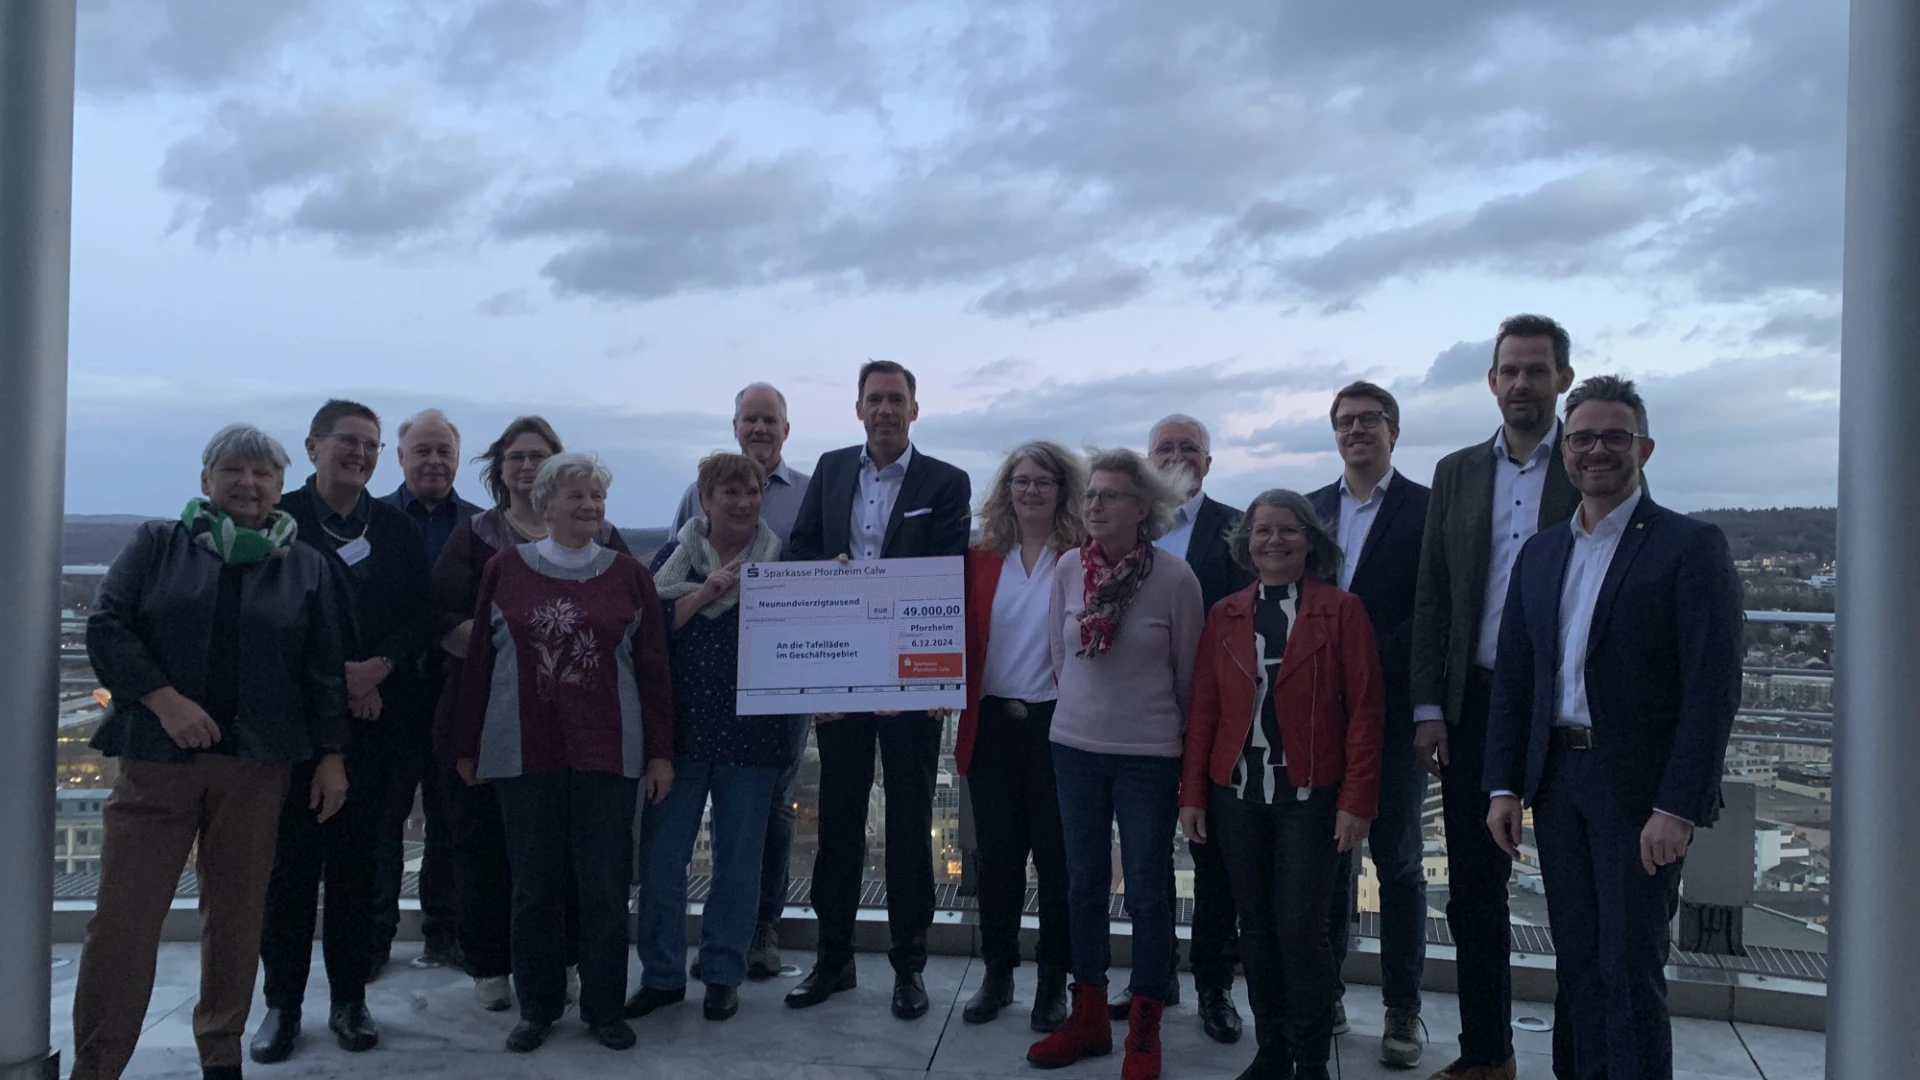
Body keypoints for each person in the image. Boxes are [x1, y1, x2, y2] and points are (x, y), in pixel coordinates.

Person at [71, 425, 351, 1080]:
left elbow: (323, 672)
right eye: (234, 470)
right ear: (206, 481)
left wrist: (333, 755)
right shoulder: (157, 544)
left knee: (236, 920)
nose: (248, 484)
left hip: (255, 767)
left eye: (263, 474)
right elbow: (108, 625)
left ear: (282, 488)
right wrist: (165, 701)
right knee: (124, 921)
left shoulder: (304, 565)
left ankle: (221, 1054)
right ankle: (98, 1063)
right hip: (155, 762)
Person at [1485, 377, 1741, 1080]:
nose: (1597, 450)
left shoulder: (1690, 547)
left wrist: (1677, 805)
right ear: (1564, 451)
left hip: (1638, 793)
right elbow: (1516, 679)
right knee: (1576, 963)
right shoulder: (1540, 554)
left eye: (1614, 437)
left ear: (1644, 448)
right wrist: (1504, 785)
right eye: (1583, 438)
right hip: (1558, 780)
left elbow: (1712, 692)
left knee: (1628, 968)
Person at [451, 452, 676, 1054]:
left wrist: (660, 754)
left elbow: (653, 672)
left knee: (604, 887)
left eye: (598, 497)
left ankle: (604, 1007)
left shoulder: (630, 575)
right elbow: (479, 665)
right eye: (575, 496)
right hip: (524, 752)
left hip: (610, 752)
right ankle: (539, 1007)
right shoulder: (504, 569)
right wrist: (467, 744)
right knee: (533, 887)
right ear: (544, 503)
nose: (589, 506)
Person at [1410, 315, 1579, 1080]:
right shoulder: (1456, 472)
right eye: (1509, 370)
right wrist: (1429, 707)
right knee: (1474, 895)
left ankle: (1583, 1059)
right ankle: (1487, 1056)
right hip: (1475, 707)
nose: (1521, 384)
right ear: (1491, 382)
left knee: (1580, 900)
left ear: (1562, 380)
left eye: (1537, 370)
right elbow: (1434, 595)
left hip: (1569, 710)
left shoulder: (1589, 462)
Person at [784, 360, 972, 1020]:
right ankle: (833, 959)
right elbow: (797, 555)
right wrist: (825, 571)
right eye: (875, 400)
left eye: (896, 399)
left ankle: (909, 967)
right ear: (858, 410)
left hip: (910, 678)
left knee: (910, 824)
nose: (885, 410)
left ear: (915, 410)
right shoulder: (832, 471)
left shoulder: (946, 482)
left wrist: (921, 674)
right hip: (840, 675)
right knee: (836, 821)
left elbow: (946, 577)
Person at [252, 400, 435, 1064]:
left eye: (372, 445)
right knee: (290, 872)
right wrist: (339, 680)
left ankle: (350, 1001)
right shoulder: (282, 521)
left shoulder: (393, 527)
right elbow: (265, 621)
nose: (360, 454)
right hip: (297, 728)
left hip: (378, 723)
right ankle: (282, 1005)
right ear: (312, 446)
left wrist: (378, 670)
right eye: (347, 441)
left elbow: (422, 614)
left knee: (360, 870)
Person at [1179, 491, 1385, 1080]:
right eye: (1261, 532)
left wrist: (1357, 801)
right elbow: (1205, 709)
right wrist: (1192, 792)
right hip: (1237, 796)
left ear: (1310, 539)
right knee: (1256, 929)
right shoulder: (1226, 614)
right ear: (1244, 544)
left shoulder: (1342, 611)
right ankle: (1271, 1051)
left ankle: (1313, 1059)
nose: (1274, 541)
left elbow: (1367, 711)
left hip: (1309, 799)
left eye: (1287, 530)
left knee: (1303, 932)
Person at [432, 416, 633, 1013]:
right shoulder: (482, 543)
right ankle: (506, 975)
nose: (525, 465)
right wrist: (509, 651)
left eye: (538, 455)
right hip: (506, 723)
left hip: (590, 736)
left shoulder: (615, 552)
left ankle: (581, 983)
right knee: (503, 862)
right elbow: (441, 618)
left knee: (585, 874)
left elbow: (638, 641)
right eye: (516, 456)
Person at [1025, 448, 1202, 1080]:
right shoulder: (1070, 569)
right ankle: (1090, 1014)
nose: (1094, 505)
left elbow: (1188, 677)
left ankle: (1145, 1028)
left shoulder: (1176, 579)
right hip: (1073, 746)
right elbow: (1058, 652)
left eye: (1110, 496)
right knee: (1082, 883)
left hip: (1148, 757)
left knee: (1149, 892)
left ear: (1142, 509)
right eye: (1091, 494)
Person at [628, 451, 800, 1023]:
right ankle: (661, 976)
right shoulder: (672, 561)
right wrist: (704, 593)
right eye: (730, 492)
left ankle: (724, 974)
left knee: (739, 865)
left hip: (755, 737)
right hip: (678, 738)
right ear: (704, 501)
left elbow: (817, 625)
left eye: (752, 491)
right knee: (661, 862)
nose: (744, 501)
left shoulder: (783, 562)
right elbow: (649, 635)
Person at [669, 382, 813, 978]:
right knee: (701, 815)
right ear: (735, 426)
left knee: (774, 808)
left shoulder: (810, 495)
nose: (759, 429)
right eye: (749, 419)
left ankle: (762, 929)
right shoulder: (693, 495)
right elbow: (677, 570)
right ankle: (702, 940)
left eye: (769, 420)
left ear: (786, 428)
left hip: (781, 679)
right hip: (704, 685)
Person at [1307, 382, 1432, 1068]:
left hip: (1392, 713)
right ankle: (1326, 993)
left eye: (1369, 420)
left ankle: (1403, 1010)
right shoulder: (1313, 511)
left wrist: (1360, 660)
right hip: (1320, 718)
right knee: (1328, 862)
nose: (1357, 430)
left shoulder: (1426, 510)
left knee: (1401, 863)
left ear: (1394, 430)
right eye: (1345, 422)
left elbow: (1434, 609)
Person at [956, 441, 1087, 1032]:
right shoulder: (981, 557)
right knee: (999, 862)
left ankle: (1052, 983)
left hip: (1059, 731)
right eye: (1020, 480)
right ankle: (998, 974)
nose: (1030, 491)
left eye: (1043, 481)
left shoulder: (1083, 557)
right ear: (1005, 489)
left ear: (1064, 491)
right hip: (991, 727)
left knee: (1059, 866)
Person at [1137, 414, 1249, 1042]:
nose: (1177, 456)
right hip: (1140, 720)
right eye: (1164, 448)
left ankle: (1214, 986)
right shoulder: (1125, 525)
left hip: (1214, 721)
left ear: (1208, 462)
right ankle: (1152, 980)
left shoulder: (1237, 529)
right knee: (1146, 859)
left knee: (1214, 864)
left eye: (1189, 447)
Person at [371, 409, 483, 975]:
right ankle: (373, 937)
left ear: (458, 459)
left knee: (453, 821)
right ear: (401, 457)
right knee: (381, 823)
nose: (434, 461)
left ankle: (447, 932)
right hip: (385, 697)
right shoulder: (372, 521)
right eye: (423, 451)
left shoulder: (482, 526)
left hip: (454, 696)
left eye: (444, 451)